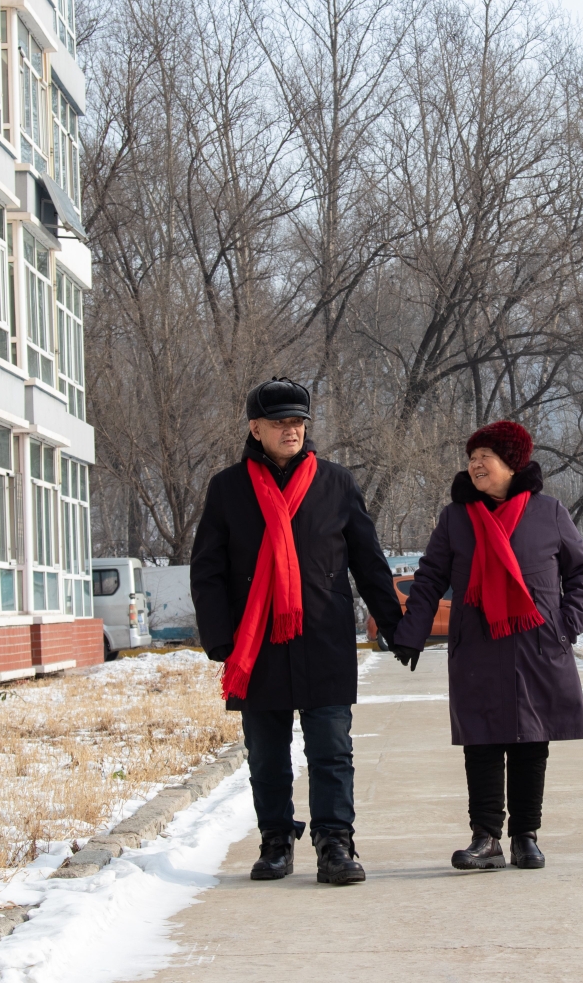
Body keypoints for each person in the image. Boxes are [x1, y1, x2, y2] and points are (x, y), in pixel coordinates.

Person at [189, 377, 403, 885]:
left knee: (331, 749)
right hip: (257, 643)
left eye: (299, 422)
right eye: (281, 422)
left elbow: (368, 562)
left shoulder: (336, 483)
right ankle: (276, 842)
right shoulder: (227, 489)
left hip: (324, 637)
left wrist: (395, 623)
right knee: (266, 752)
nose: (292, 430)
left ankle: (335, 844)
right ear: (255, 428)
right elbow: (208, 570)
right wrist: (220, 636)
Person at [389, 421, 583, 870]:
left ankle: (526, 836)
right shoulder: (456, 518)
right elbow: (428, 581)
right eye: (472, 457)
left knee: (531, 740)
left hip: (537, 645)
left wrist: (567, 625)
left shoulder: (550, 512)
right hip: (478, 646)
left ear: (512, 463)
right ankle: (485, 838)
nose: (476, 464)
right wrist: (411, 633)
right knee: (481, 742)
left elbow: (582, 574)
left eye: (486, 455)